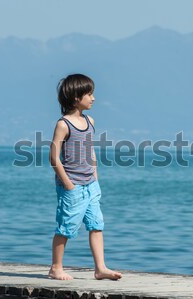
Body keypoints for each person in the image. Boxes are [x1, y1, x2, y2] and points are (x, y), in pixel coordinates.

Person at [48, 74, 122, 281]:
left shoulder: (90, 121)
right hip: (72, 185)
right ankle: (56, 267)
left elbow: (90, 151)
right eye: (89, 94)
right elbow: (53, 157)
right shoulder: (63, 124)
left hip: (91, 184)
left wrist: (95, 177)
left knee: (96, 224)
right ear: (75, 98)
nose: (93, 98)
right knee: (66, 227)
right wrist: (68, 184)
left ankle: (100, 268)